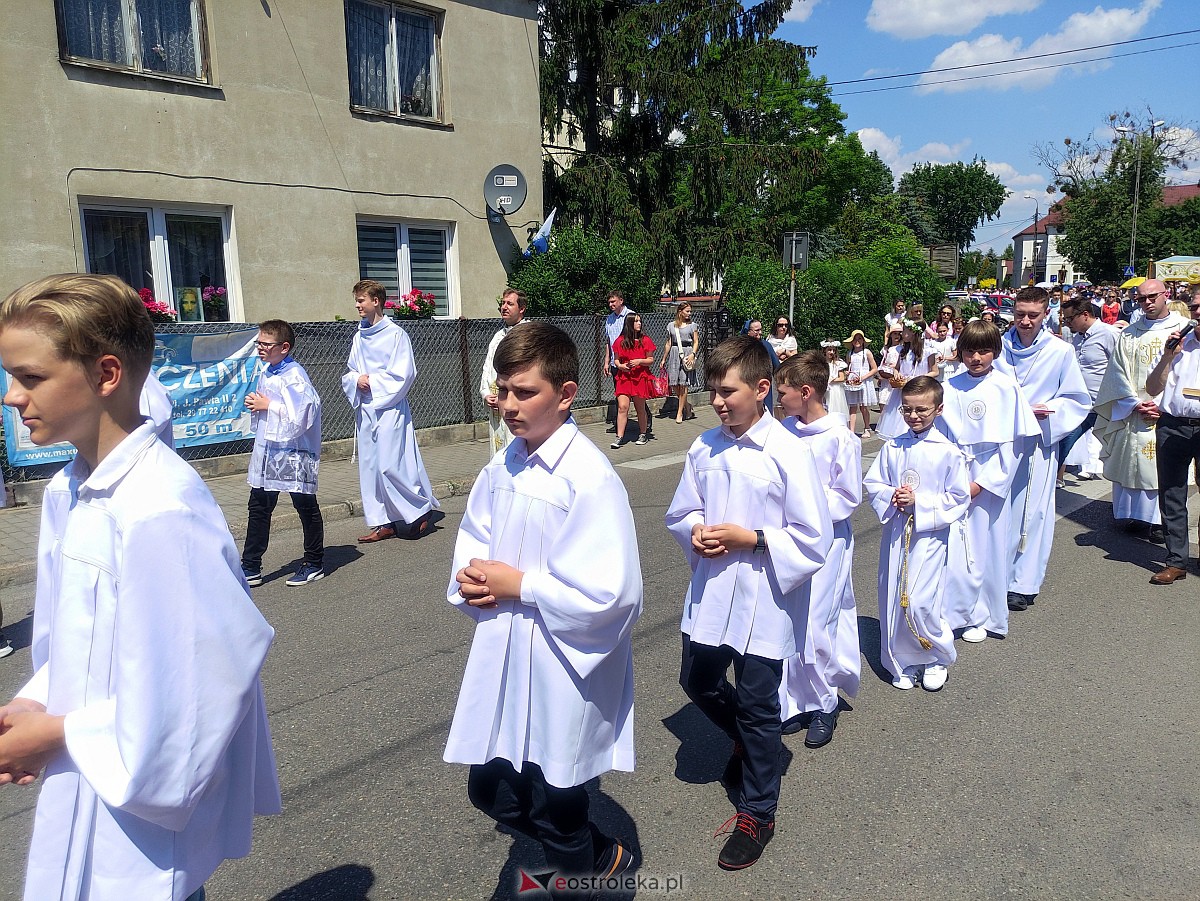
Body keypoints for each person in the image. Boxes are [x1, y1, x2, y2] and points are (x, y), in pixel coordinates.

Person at [0, 273, 280, 901]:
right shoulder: (67, 491)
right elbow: (69, 637)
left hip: (139, 814)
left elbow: (196, 690)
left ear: (106, 374)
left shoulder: (159, 509)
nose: (12, 397)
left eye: (31, 377)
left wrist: (63, 733)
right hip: (84, 770)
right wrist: (36, 702)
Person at [444, 322, 641, 886]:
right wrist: (474, 578)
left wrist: (521, 586)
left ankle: (584, 869)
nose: (509, 405)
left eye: (525, 392)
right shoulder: (505, 463)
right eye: (503, 390)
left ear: (567, 393)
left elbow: (611, 595)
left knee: (559, 808)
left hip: (563, 665)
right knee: (490, 788)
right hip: (506, 647)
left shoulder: (589, 479)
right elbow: (474, 537)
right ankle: (602, 855)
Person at [665, 336, 832, 871]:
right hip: (713, 594)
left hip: (764, 598)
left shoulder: (788, 452)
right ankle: (747, 743)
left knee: (760, 706)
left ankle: (758, 811)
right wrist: (694, 531)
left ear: (762, 390)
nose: (716, 401)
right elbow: (681, 510)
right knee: (697, 681)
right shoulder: (704, 447)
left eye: (726, 391)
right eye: (711, 390)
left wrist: (753, 538)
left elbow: (812, 536)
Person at [774, 352, 861, 749]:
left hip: (828, 542)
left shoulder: (840, 437)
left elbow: (846, 495)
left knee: (817, 622)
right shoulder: (784, 432)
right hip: (789, 540)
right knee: (791, 620)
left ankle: (825, 702)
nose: (778, 398)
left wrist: (803, 506)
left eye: (783, 391)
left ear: (806, 392)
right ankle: (796, 699)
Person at [864, 376, 970, 691]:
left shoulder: (948, 452)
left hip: (929, 537)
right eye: (907, 410)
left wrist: (920, 503)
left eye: (921, 410)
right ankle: (904, 661)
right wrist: (891, 497)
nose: (913, 416)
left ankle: (936, 656)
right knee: (895, 598)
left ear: (938, 409)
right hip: (897, 534)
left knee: (922, 600)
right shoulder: (893, 447)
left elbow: (958, 497)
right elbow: (874, 484)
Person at [939, 322, 1040, 643]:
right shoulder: (950, 386)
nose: (976, 358)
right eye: (969, 351)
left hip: (988, 481)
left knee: (986, 549)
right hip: (953, 476)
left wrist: (982, 484)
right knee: (952, 548)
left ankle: (982, 615)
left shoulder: (1005, 387)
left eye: (984, 351)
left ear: (995, 352)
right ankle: (949, 612)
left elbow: (1014, 445)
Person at [994, 287, 1090, 611]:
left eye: (1032, 315)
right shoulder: (998, 347)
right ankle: (993, 577)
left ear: (1045, 314)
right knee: (996, 511)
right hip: (1001, 441)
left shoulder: (1060, 352)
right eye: (1019, 313)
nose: (1024, 321)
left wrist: (1048, 409)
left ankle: (1022, 583)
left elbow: (1077, 399)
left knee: (1031, 513)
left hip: (1037, 442)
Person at [342, 279, 440, 543]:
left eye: (361, 300)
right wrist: (356, 380)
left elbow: (404, 373)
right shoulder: (358, 336)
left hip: (389, 407)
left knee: (390, 464)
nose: (357, 305)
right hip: (366, 409)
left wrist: (372, 381)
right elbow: (351, 371)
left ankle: (419, 509)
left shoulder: (396, 335)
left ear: (376, 301)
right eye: (357, 300)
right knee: (371, 467)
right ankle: (383, 521)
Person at [1093, 279, 1187, 536]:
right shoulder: (1130, 333)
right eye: (1141, 298)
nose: (1147, 302)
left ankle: (1160, 521)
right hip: (1134, 411)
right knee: (1132, 462)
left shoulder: (1183, 329)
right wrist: (1133, 403)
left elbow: (1186, 373)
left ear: (1165, 295)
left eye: (1152, 297)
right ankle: (1136, 516)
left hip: (1167, 412)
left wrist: (1161, 404)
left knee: (1162, 468)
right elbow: (1116, 373)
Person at [240, 319, 325, 588]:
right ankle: (251, 565)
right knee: (259, 505)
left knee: (305, 505)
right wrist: (259, 405)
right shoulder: (269, 371)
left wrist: (269, 405)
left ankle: (314, 562)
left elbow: (305, 415)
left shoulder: (294, 376)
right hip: (269, 451)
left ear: (284, 347)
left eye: (265, 344)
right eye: (259, 342)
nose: (260, 348)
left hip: (293, 452)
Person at [1145, 288, 1200, 584]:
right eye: (1194, 306)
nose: (1198, 311)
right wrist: (1167, 357)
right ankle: (1176, 561)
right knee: (1172, 495)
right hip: (1173, 424)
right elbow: (1153, 388)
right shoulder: (1179, 345)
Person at [1059, 297, 1119, 484]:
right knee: (1063, 443)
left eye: (1070, 319)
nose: (1067, 323)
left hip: (1105, 405)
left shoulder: (1108, 334)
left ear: (1085, 315)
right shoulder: (1078, 338)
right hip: (1082, 405)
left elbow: (1121, 366)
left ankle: (1121, 493)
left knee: (1116, 450)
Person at [479, 288, 529, 454]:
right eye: (503, 303)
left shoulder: (528, 334)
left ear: (521, 309)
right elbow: (487, 369)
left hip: (516, 403)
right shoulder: (498, 336)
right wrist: (486, 394)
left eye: (510, 303)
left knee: (515, 446)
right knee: (498, 448)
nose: (504, 307)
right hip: (496, 406)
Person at [875, 319, 937, 439]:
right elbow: (897, 368)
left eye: (904, 331)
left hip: (920, 389)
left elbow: (935, 372)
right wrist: (896, 374)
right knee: (901, 418)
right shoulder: (903, 351)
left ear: (913, 333)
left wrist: (919, 378)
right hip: (902, 390)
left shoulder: (928, 351)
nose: (902, 334)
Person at [610, 313, 657, 448]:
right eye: (636, 321)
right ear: (629, 324)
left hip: (640, 377)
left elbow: (650, 359)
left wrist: (639, 361)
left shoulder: (645, 340)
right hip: (624, 377)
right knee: (622, 407)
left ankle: (643, 433)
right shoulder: (620, 341)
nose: (639, 323)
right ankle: (619, 437)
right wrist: (620, 366)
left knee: (640, 407)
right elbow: (617, 360)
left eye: (640, 321)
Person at [660, 301, 700, 422]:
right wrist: (663, 359)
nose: (689, 313)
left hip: (687, 353)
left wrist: (693, 354)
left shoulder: (693, 325)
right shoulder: (671, 326)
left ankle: (680, 413)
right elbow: (668, 342)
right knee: (673, 383)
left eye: (690, 311)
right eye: (687, 311)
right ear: (680, 311)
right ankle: (687, 406)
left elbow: (696, 341)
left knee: (683, 383)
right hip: (674, 352)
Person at [603, 290, 635, 437]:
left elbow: (638, 339)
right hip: (616, 363)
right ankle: (619, 424)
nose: (611, 304)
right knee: (619, 394)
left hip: (630, 363)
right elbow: (608, 342)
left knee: (636, 393)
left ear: (621, 301)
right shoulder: (609, 319)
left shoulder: (631, 316)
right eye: (609, 302)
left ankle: (645, 421)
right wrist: (606, 362)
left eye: (613, 302)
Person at [843, 329, 877, 437]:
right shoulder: (850, 354)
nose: (857, 341)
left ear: (863, 340)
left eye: (859, 338)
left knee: (863, 406)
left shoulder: (867, 352)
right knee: (852, 407)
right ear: (852, 341)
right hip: (853, 381)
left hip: (864, 381)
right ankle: (851, 431)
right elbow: (848, 367)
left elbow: (874, 368)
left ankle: (867, 428)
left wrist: (863, 377)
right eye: (855, 339)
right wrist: (847, 373)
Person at [822, 340, 849, 421]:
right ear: (824, 351)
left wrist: (832, 379)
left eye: (833, 350)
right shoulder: (822, 363)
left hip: (835, 390)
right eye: (829, 350)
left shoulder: (838, 363)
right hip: (824, 388)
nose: (831, 352)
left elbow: (842, 378)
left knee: (834, 408)